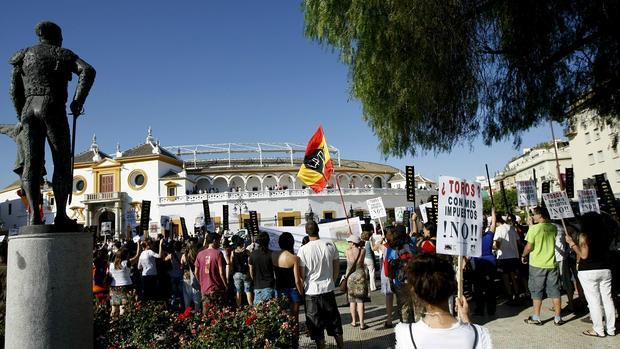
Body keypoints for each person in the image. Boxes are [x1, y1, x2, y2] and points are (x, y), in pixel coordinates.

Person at [9, 21, 95, 226]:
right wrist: (77, 101)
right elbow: (88, 71)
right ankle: (61, 215)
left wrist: (20, 115)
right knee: (62, 161)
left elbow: (14, 90)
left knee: (32, 164)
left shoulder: (23, 56)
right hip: (52, 106)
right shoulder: (61, 53)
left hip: (28, 109)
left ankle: (34, 216)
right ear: (56, 37)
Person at [395, 254, 492, 349]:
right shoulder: (479, 334)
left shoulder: (405, 335)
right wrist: (466, 319)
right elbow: (473, 337)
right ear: (453, 286)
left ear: (415, 292)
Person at [565, 212, 616, 337]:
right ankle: (611, 328)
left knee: (594, 301)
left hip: (588, 270)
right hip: (605, 268)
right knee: (608, 299)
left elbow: (583, 255)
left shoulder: (584, 235)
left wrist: (572, 244)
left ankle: (598, 329)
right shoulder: (606, 234)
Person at [297, 221, 343, 349]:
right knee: (334, 322)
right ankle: (341, 346)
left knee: (316, 326)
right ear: (318, 230)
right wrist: (332, 280)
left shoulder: (303, 250)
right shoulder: (329, 244)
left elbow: (302, 275)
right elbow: (336, 266)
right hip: (328, 288)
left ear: (306, 232)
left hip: (311, 291)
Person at [521, 206, 565, 325]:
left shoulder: (534, 229)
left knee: (536, 291)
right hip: (551, 263)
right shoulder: (553, 227)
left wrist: (523, 255)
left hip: (537, 264)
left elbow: (529, 246)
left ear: (540, 215)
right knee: (555, 290)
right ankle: (557, 317)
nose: (532, 216)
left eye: (534, 214)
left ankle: (536, 317)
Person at [272, 232, 304, 347]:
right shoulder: (294, 258)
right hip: (292, 290)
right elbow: (297, 280)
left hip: (279, 289)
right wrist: (301, 293)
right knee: (294, 319)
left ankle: (283, 341)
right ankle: (295, 344)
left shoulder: (274, 256)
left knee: (282, 317)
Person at [386, 226, 416, 323]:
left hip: (400, 280)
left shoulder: (392, 248)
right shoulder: (412, 242)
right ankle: (417, 328)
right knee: (416, 305)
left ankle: (405, 328)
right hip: (414, 279)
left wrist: (390, 279)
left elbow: (389, 265)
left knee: (403, 305)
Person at [492, 211, 522, 304]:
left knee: (505, 277)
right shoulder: (511, 228)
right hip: (514, 256)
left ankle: (510, 296)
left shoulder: (498, 229)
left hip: (503, 257)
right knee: (513, 277)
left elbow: (497, 244)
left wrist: (493, 247)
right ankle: (517, 294)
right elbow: (518, 241)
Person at [471, 209, 497, 316]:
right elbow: (494, 223)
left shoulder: (471, 239)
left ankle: (479, 309)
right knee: (490, 286)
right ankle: (491, 310)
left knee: (477, 288)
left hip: (477, 263)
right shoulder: (489, 235)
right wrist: (493, 212)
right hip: (490, 262)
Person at [195, 233, 228, 309]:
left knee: (206, 314)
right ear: (214, 241)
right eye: (219, 241)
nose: (219, 243)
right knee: (217, 313)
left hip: (204, 289)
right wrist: (225, 285)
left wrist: (201, 282)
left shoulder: (200, 254)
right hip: (216, 288)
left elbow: (196, 272)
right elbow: (221, 272)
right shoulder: (218, 253)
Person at [109, 246, 141, 319]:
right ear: (125, 255)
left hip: (114, 287)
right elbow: (137, 255)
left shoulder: (111, 265)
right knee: (123, 308)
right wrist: (138, 244)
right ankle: (123, 325)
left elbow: (110, 275)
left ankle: (113, 324)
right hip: (125, 287)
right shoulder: (126, 263)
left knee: (114, 308)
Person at [345, 234, 370, 329]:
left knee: (352, 300)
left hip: (351, 277)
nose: (348, 243)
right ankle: (362, 324)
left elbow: (348, 264)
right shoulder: (363, 250)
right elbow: (362, 262)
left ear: (352, 242)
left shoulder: (347, 251)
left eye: (349, 241)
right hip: (360, 275)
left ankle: (354, 321)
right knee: (360, 300)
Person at [373, 227, 395, 328]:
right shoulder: (399, 245)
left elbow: (375, 247)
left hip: (387, 274)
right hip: (398, 273)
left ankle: (389, 319)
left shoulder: (385, 246)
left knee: (389, 297)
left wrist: (382, 239)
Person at [249, 232, 276, 305]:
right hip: (269, 286)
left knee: (258, 314)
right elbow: (275, 272)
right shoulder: (272, 254)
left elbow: (251, 271)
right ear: (268, 241)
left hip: (257, 287)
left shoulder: (252, 254)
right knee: (270, 313)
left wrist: (254, 280)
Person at [230, 236, 253, 307]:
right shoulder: (247, 252)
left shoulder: (233, 252)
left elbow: (231, 263)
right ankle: (251, 306)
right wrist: (251, 274)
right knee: (248, 291)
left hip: (236, 274)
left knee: (238, 292)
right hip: (246, 273)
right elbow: (250, 264)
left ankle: (239, 308)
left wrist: (231, 272)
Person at [180, 240, 201, 313]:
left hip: (186, 278)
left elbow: (181, 267)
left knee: (186, 297)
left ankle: (187, 313)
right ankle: (197, 313)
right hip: (196, 278)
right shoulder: (197, 256)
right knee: (196, 297)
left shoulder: (184, 256)